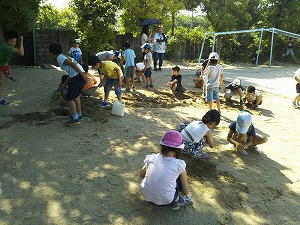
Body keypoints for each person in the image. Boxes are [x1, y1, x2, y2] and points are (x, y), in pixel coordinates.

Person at [139, 130, 192, 211]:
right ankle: (176, 201)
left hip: (146, 195)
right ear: (179, 149)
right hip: (166, 201)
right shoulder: (179, 165)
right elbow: (186, 192)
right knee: (179, 176)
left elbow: (141, 175)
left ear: (162, 146)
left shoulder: (152, 158)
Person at [49, 43, 88, 125]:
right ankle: (79, 115)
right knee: (76, 96)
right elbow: (71, 72)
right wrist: (65, 83)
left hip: (78, 77)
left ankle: (75, 118)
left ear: (51, 53)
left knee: (69, 98)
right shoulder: (64, 56)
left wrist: (83, 76)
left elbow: (73, 65)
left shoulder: (59, 58)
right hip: (78, 76)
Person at [0, 30, 24, 105]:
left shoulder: (10, 44)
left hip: (4, 64)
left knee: (6, 70)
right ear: (6, 40)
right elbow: (21, 53)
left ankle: (8, 75)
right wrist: (21, 41)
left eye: (14, 42)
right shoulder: (5, 46)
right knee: (0, 83)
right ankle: (1, 99)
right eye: (11, 42)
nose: (13, 43)